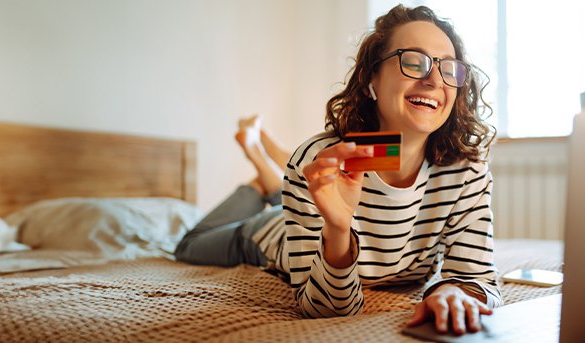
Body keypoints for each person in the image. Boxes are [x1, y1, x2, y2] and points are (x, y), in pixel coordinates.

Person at [175, 4, 497, 336]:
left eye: (450, 69)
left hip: (304, 191)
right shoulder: (316, 158)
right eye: (414, 62)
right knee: (187, 245)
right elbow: (327, 310)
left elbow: (475, 279)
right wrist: (338, 228)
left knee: (301, 179)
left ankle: (265, 167)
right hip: (269, 234)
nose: (433, 80)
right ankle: (259, 179)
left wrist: (452, 291)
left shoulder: (466, 172)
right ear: (373, 75)